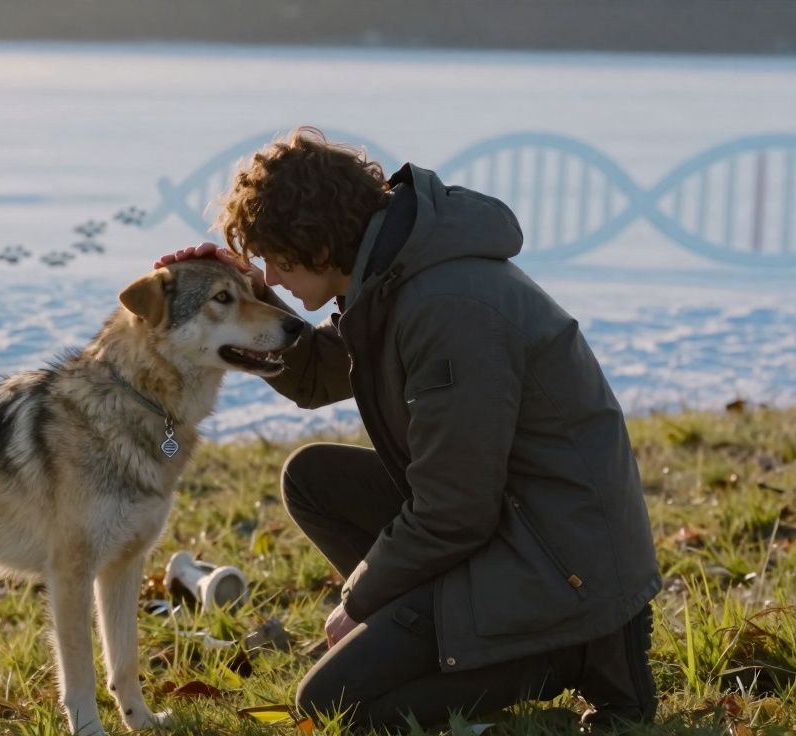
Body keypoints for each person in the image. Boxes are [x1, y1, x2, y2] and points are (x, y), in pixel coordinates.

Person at [156, 127, 660, 729]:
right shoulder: (395, 278)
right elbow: (316, 375)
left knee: (334, 708)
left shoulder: (448, 308)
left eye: (276, 260)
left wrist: (358, 600)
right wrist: (248, 298)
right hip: (516, 532)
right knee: (313, 479)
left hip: (564, 572)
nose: (273, 275)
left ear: (318, 245)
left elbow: (455, 509)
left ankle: (578, 653)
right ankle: (430, 633)